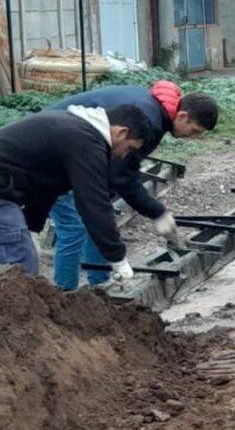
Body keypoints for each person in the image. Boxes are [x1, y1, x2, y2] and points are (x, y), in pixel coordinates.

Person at [45, 81, 217, 289]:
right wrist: (157, 212)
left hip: (77, 152)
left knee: (99, 217)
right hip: (52, 150)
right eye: (195, 130)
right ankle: (65, 295)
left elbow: (115, 170)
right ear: (182, 116)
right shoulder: (148, 120)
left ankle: (99, 286)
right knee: (73, 228)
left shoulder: (154, 110)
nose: (194, 137)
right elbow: (122, 176)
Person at [0, 102, 151, 282]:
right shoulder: (86, 141)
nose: (124, 155)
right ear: (121, 132)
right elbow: (94, 203)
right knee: (18, 272)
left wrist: (32, 227)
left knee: (13, 273)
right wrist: (117, 258)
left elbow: (46, 186)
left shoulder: (74, 130)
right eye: (130, 148)